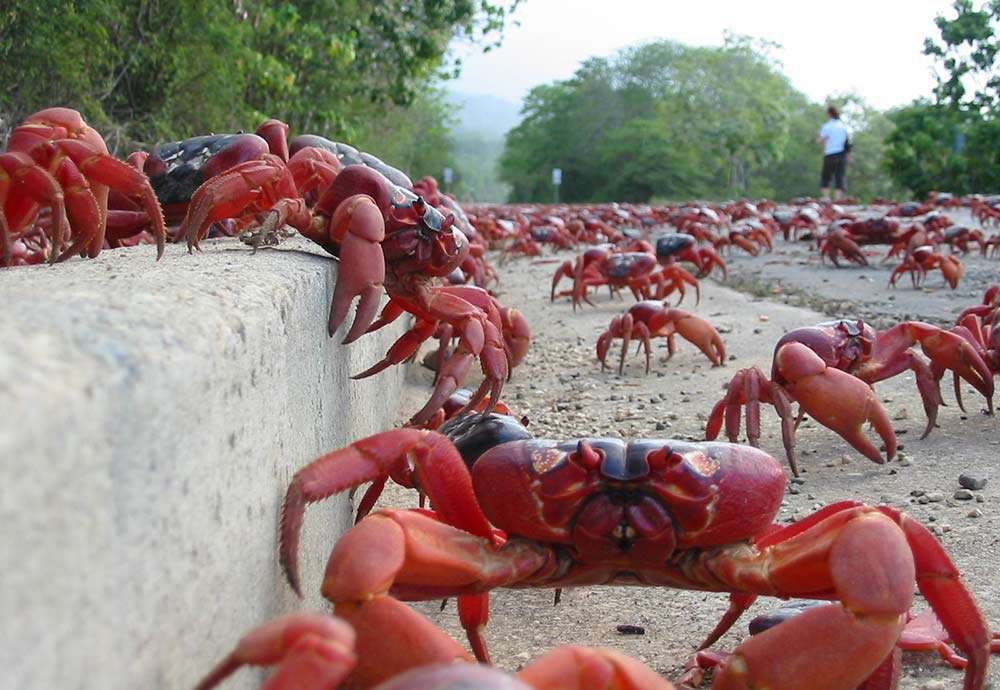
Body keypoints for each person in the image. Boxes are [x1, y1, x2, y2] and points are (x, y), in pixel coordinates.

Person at [817, 105, 850, 201]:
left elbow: (820, 140)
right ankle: (838, 199)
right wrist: (848, 155)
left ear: (829, 114)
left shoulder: (827, 126)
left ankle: (826, 197)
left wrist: (819, 137)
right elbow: (848, 141)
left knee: (826, 176)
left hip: (830, 153)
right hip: (842, 154)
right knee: (840, 176)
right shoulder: (843, 126)